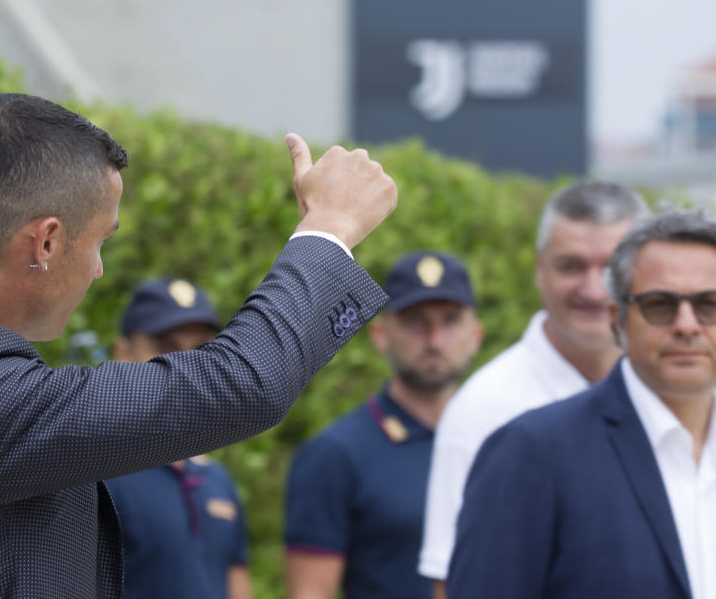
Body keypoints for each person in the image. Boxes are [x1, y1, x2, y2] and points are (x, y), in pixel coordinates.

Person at [0, 92, 398, 598]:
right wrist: (329, 230)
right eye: (102, 242)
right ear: (46, 241)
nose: (97, 270)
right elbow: (237, 385)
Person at [447, 208, 716, 599]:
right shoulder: (531, 451)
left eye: (709, 304)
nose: (688, 324)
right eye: (660, 304)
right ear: (617, 319)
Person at [418, 180, 651, 598]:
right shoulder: (483, 410)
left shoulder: (678, 395)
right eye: (571, 266)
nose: (594, 289)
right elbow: (450, 584)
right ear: (539, 267)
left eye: (612, 267)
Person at [285, 251, 483, 598]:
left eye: (450, 320)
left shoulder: (497, 441)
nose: (434, 340)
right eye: (415, 322)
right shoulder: (336, 453)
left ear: (476, 335)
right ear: (380, 335)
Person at [105, 277, 253, 599]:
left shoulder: (216, 480)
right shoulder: (97, 477)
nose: (186, 365)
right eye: (165, 346)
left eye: (201, 349)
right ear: (123, 353)